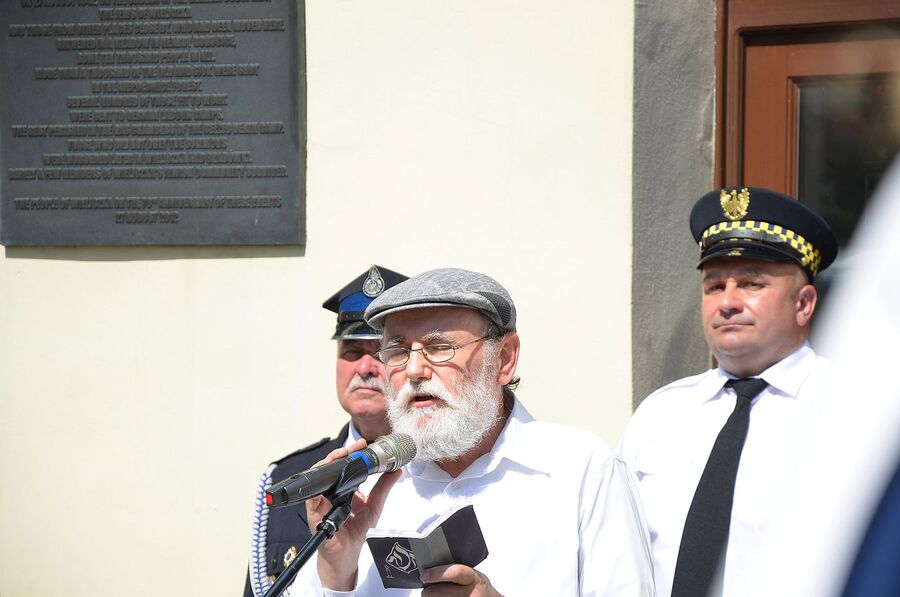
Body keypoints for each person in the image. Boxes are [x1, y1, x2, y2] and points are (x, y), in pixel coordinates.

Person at [291, 267, 655, 596]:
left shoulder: (581, 470)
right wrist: (336, 572)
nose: (414, 369)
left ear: (504, 359)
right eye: (398, 351)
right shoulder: (365, 490)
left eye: (438, 347)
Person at [618, 187, 839, 597]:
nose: (728, 303)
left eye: (751, 284)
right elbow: (618, 557)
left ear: (804, 304)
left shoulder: (852, 411)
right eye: (714, 286)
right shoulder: (662, 414)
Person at [245, 265, 408, 597]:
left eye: (380, 352)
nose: (364, 368)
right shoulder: (290, 477)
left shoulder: (439, 470)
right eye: (351, 352)